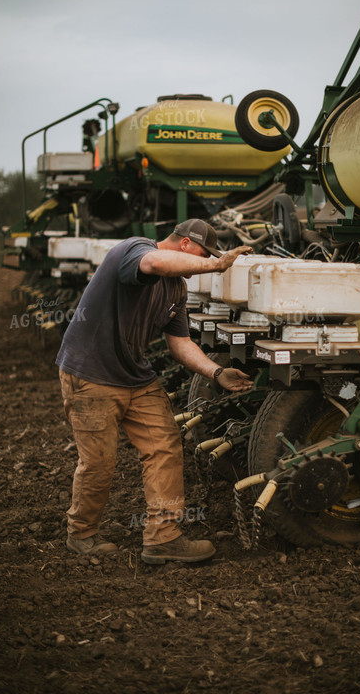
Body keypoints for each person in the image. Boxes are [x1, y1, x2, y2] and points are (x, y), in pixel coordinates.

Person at [56, 219, 254, 564]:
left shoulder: (176, 289)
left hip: (134, 375)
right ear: (186, 245)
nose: (201, 266)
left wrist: (216, 372)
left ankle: (164, 539)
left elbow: (180, 344)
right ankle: (81, 534)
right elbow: (155, 264)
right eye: (203, 255)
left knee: (164, 444)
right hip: (90, 374)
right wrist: (217, 264)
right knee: (99, 462)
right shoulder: (134, 250)